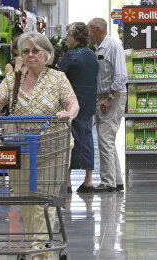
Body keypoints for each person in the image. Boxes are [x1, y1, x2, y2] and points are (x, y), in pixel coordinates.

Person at [0, 32, 79, 259]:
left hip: (53, 145)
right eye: (25, 51)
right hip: (21, 146)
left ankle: (39, 249)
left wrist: (67, 113)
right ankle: (37, 242)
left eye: (36, 51)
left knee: (43, 198)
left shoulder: (57, 78)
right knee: (25, 198)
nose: (30, 55)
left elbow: (73, 102)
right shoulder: (14, 79)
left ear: (47, 54)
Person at [56, 22, 98, 193]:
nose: (66, 37)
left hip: (71, 104)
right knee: (87, 138)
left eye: (68, 34)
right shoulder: (92, 55)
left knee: (69, 141)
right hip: (88, 103)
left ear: (74, 36)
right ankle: (88, 180)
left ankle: (67, 181)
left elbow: (58, 77)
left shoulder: (70, 56)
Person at [87, 18, 127, 193]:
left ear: (97, 29)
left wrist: (110, 98)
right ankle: (116, 180)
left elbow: (121, 75)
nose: (88, 34)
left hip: (112, 98)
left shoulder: (113, 45)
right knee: (107, 141)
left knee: (105, 139)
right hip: (101, 98)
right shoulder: (98, 47)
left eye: (89, 30)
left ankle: (107, 182)